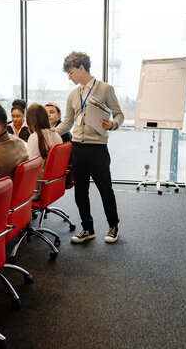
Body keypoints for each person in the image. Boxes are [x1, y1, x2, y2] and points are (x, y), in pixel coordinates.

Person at [55, 52, 124, 244]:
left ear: (81, 68)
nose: (70, 77)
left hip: (97, 149)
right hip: (77, 148)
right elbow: (67, 123)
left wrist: (112, 124)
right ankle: (88, 228)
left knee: (105, 189)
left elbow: (119, 115)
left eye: (71, 72)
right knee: (80, 191)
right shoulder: (73, 95)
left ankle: (113, 226)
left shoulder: (105, 89)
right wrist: (49, 134)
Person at [26, 103, 63, 196]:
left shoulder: (36, 137)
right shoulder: (56, 135)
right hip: (51, 184)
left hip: (36, 189)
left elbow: (28, 166)